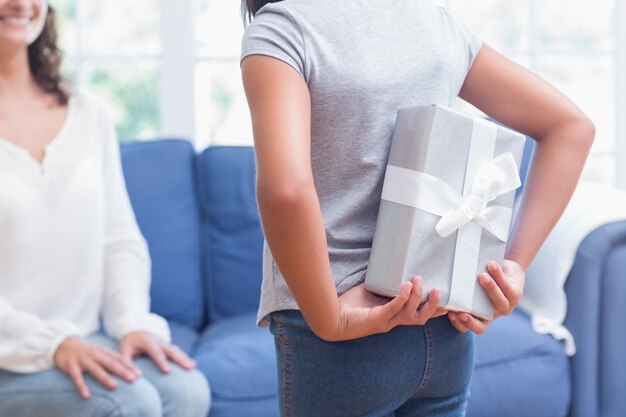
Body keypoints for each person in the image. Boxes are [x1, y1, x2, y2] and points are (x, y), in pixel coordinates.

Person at [240, 0, 594, 416]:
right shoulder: (430, 20)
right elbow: (571, 128)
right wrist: (513, 265)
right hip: (442, 321)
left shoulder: (284, 29)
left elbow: (286, 191)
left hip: (345, 331)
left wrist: (329, 318)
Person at [0, 1, 210, 416]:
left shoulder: (87, 113)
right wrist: (52, 344)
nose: (22, 4)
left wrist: (132, 322)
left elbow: (119, 240)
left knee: (186, 391)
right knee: (129, 404)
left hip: (86, 338)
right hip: (9, 353)